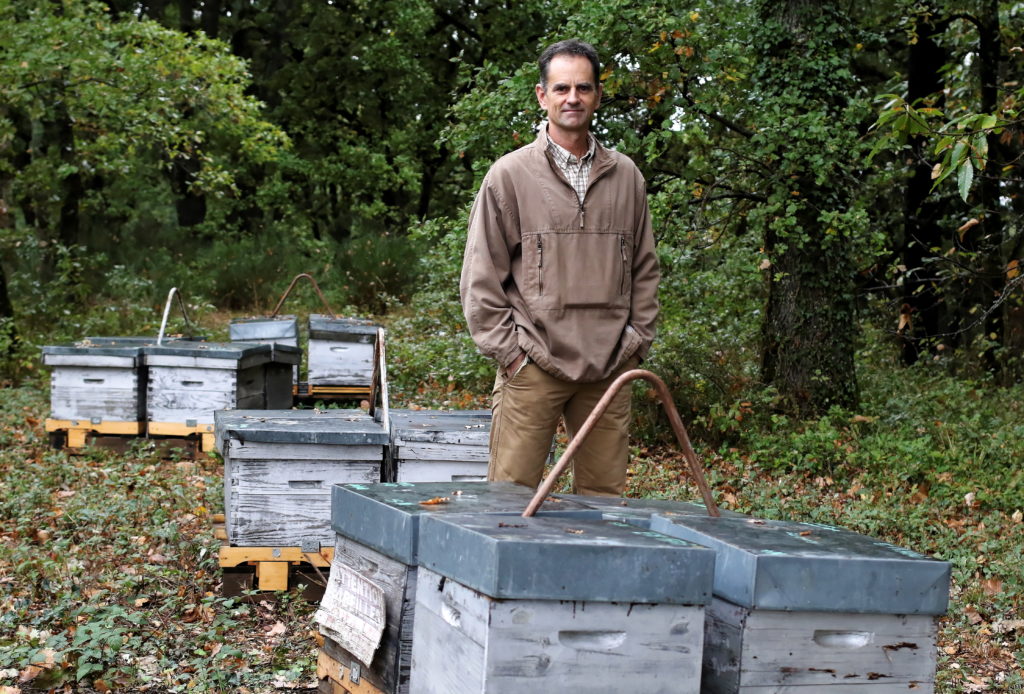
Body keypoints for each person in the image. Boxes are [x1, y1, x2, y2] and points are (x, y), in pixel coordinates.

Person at [459, 38, 659, 496]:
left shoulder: (626, 176)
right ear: (542, 95)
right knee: (507, 502)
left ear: (598, 96)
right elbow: (481, 277)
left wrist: (636, 344)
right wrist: (511, 356)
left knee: (604, 504)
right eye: (562, 88)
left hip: (610, 366)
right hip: (534, 363)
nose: (573, 98)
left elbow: (645, 268)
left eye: (584, 88)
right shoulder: (509, 176)